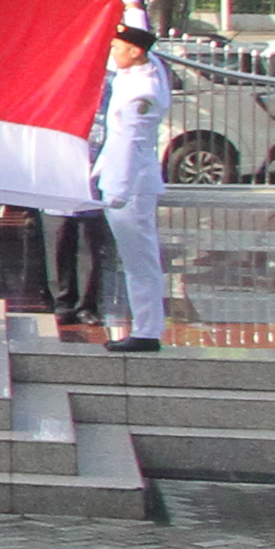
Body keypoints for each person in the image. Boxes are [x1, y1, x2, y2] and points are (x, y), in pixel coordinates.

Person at [91, 20, 171, 352]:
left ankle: (147, 331)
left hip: (130, 184)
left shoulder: (142, 92)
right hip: (123, 178)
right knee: (137, 259)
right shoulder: (145, 70)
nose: (112, 52)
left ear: (135, 51)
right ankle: (145, 327)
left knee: (139, 261)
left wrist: (118, 191)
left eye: (117, 47)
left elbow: (128, 142)